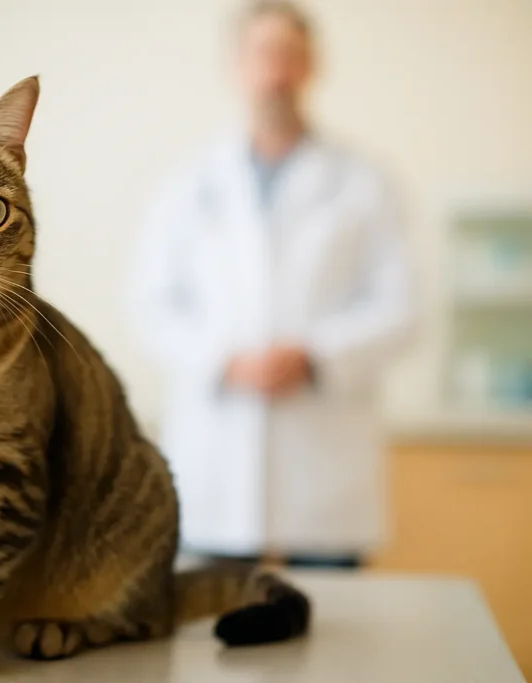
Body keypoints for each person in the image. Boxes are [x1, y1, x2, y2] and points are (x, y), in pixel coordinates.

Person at [130, 1, 415, 568]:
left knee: (337, 635)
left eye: (290, 56)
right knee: (208, 635)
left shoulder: (365, 182)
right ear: (235, 67)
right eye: (263, 54)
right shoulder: (188, 185)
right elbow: (150, 302)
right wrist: (221, 360)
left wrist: (314, 357)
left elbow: (402, 305)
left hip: (323, 465)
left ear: (311, 67)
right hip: (216, 456)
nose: (276, 73)